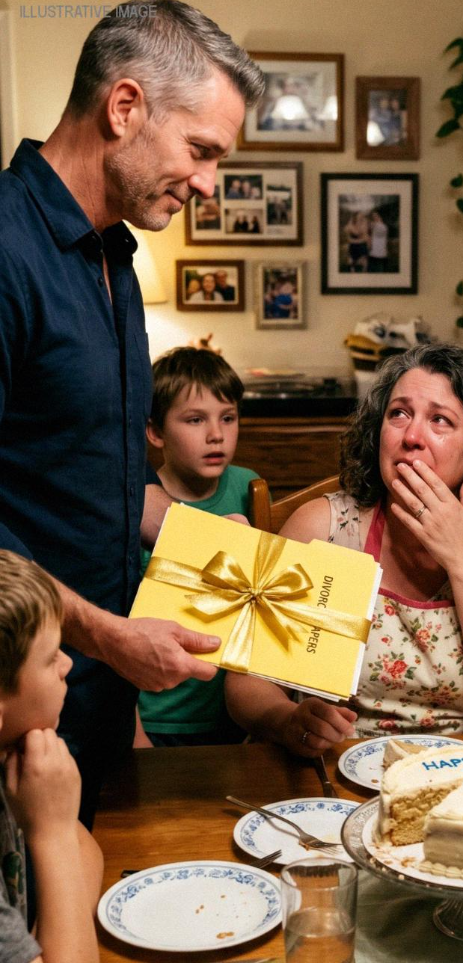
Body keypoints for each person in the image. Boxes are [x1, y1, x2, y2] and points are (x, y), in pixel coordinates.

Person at [0, 0, 264, 824]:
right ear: (124, 107)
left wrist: (226, 551)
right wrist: (107, 634)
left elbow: (90, 470)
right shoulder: (7, 249)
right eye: (200, 150)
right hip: (22, 703)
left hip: (101, 703)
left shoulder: (117, 252)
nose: (208, 183)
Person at [226, 343, 463, 756]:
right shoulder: (324, 529)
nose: (411, 437)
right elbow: (246, 681)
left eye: (440, 420)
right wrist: (287, 720)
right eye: (399, 414)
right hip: (335, 764)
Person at [137, 348, 258, 747]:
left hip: (235, 713)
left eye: (228, 417)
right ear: (155, 432)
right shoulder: (136, 509)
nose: (216, 434)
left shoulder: (249, 487)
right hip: (161, 719)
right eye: (195, 419)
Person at [0, 550, 103, 963]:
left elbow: (85, 850)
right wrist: (51, 834)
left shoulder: (13, 754)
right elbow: (68, 843)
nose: (68, 663)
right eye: (50, 656)